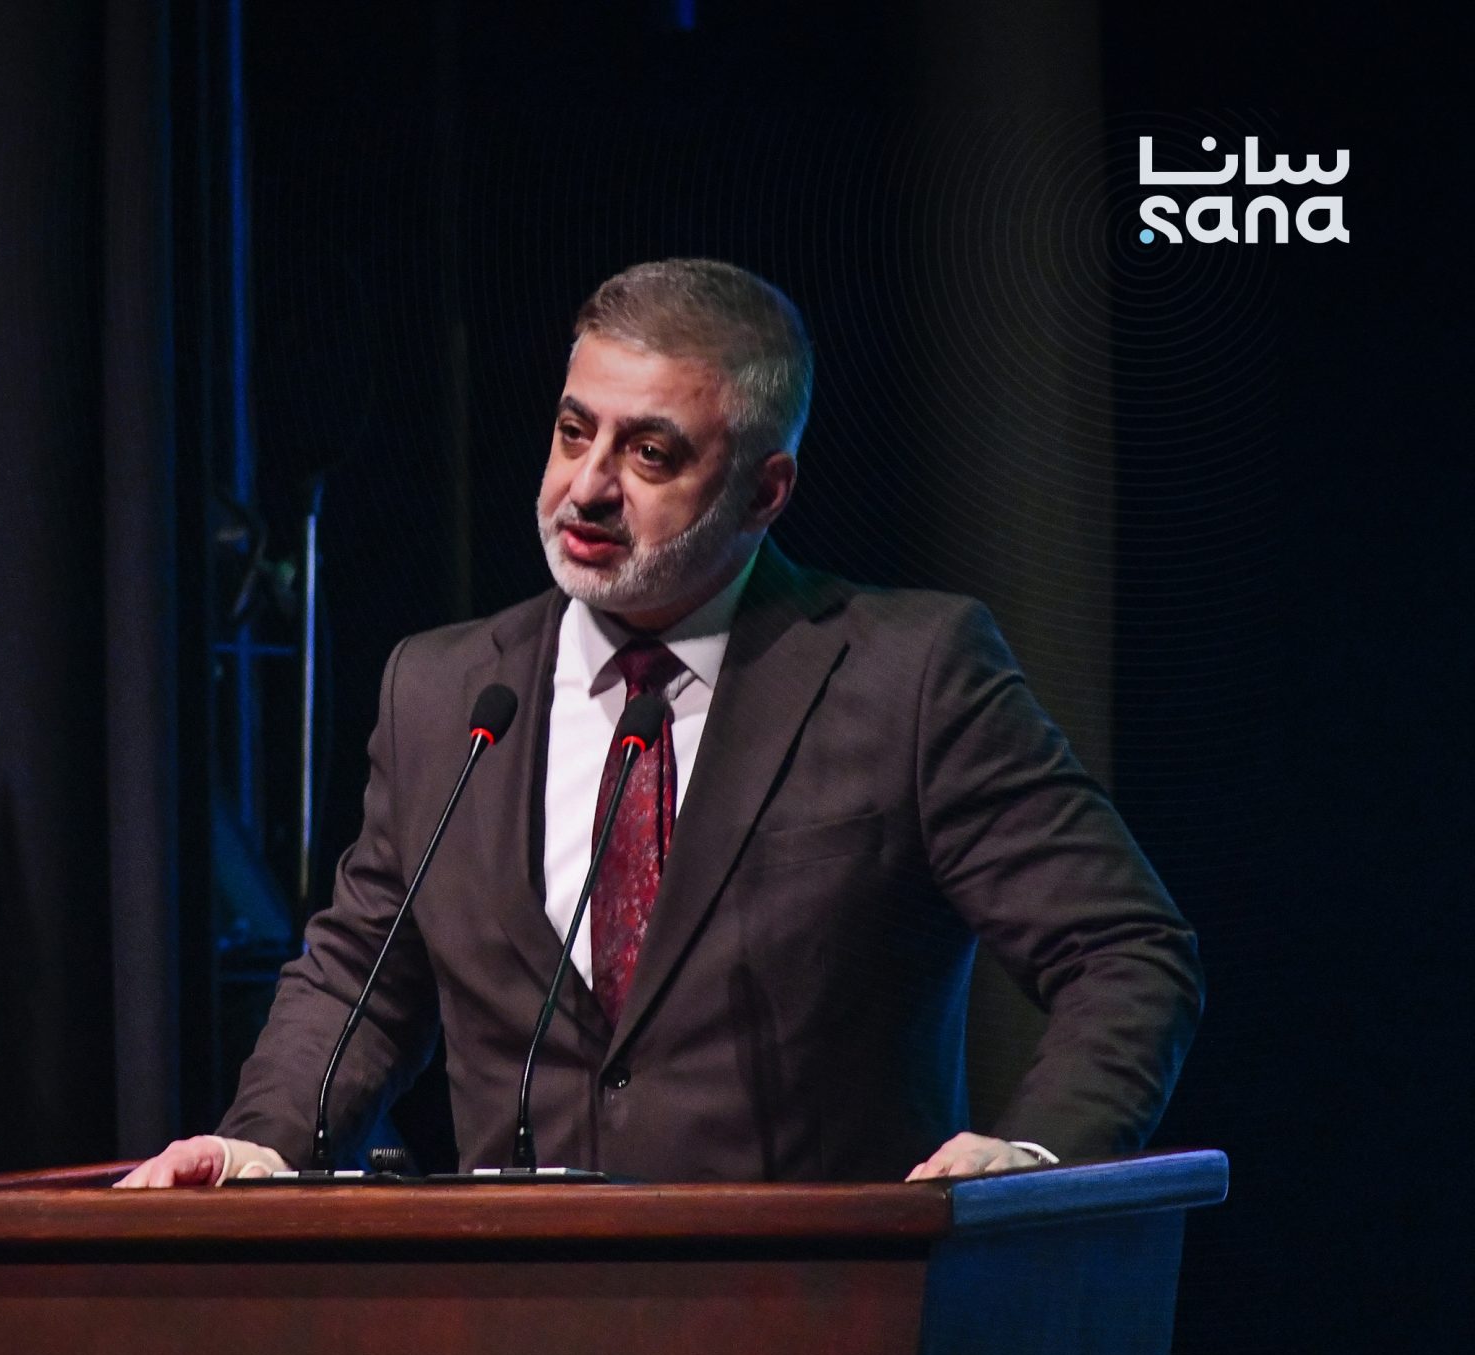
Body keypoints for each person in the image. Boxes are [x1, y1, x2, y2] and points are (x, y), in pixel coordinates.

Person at [121, 258, 1201, 1189]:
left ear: (764, 491)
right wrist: (259, 1143)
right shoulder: (446, 693)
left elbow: (1125, 951)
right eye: (572, 432)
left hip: (823, 1314)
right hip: (513, 1314)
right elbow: (359, 978)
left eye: (649, 454)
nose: (586, 488)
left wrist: (1034, 1162)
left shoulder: (908, 677)